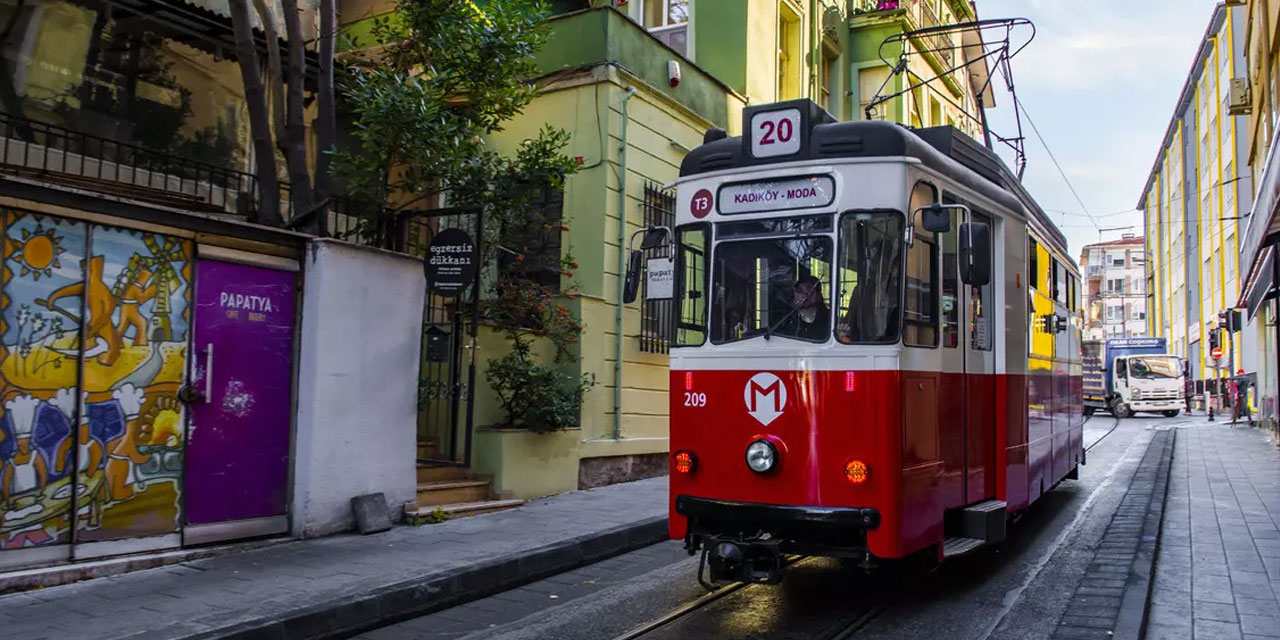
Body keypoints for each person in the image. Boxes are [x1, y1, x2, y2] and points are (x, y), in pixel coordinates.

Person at [781, 275, 830, 341]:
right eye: (799, 290)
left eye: (809, 290)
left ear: (818, 294)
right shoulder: (788, 319)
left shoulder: (829, 319)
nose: (804, 294)